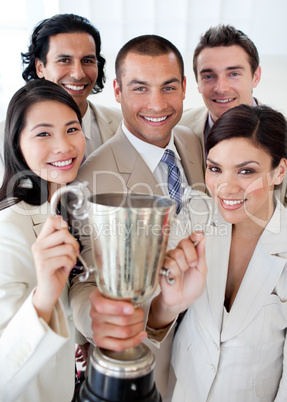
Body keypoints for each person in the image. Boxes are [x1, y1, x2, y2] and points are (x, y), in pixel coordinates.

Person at [91, 104, 287, 401]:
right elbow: (155, 317)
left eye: (246, 171)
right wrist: (169, 304)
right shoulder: (198, 213)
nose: (225, 187)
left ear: (279, 171)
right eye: (215, 169)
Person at [69, 34, 205, 397]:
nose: (157, 104)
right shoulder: (91, 177)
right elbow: (82, 281)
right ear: (116, 90)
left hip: (204, 357)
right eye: (140, 88)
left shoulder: (192, 141)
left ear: (184, 89)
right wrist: (94, 320)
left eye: (168, 87)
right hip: (147, 356)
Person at [0, 79, 85, 402]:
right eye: (43, 133)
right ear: (17, 143)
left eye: (72, 129)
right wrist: (44, 296)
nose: (64, 146)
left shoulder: (66, 207)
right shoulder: (8, 228)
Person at [0, 13, 122, 181]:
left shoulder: (122, 125)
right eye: (64, 60)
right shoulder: (3, 136)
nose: (78, 74)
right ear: (40, 67)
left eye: (87, 61)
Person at [179, 24, 287, 207]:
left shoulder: (282, 133)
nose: (221, 88)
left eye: (234, 74)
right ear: (197, 82)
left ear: (256, 76)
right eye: (208, 76)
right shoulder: (178, 129)